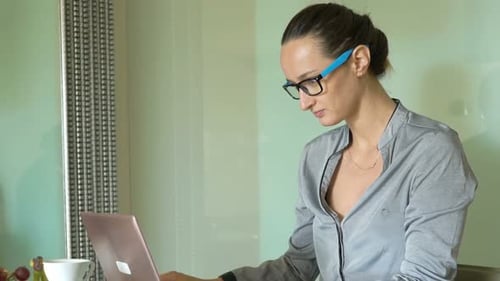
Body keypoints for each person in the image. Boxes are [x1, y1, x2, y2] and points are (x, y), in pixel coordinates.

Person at [161, 2, 477, 281]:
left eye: (311, 81)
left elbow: (424, 276)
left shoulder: (432, 150)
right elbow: (298, 267)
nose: (303, 102)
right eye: (295, 87)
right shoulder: (316, 156)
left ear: (359, 61)